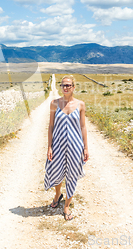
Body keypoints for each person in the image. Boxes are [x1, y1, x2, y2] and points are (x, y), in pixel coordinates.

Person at [44, 75, 89, 221]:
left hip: (75, 146)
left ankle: (67, 206)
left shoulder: (80, 104)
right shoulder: (54, 104)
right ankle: (58, 195)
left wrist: (86, 148)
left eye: (68, 85)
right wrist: (49, 146)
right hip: (58, 144)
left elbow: (83, 127)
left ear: (74, 87)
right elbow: (51, 126)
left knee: (72, 175)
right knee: (56, 172)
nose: (65, 87)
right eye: (63, 85)